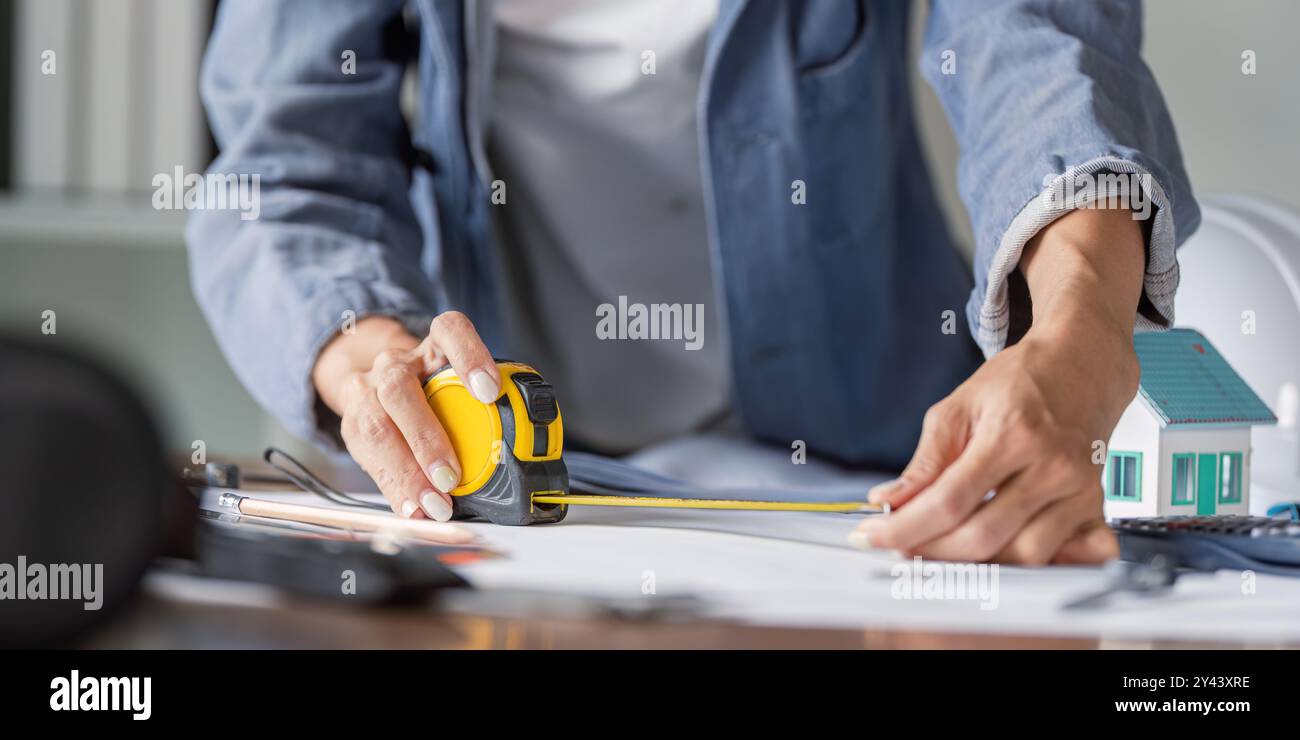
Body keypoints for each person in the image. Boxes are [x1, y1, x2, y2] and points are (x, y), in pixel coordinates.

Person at [187, 0, 1199, 564]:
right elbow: (287, 161)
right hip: (511, 486)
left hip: (874, 470)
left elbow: (1035, 43)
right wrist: (370, 357)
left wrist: (1078, 322)